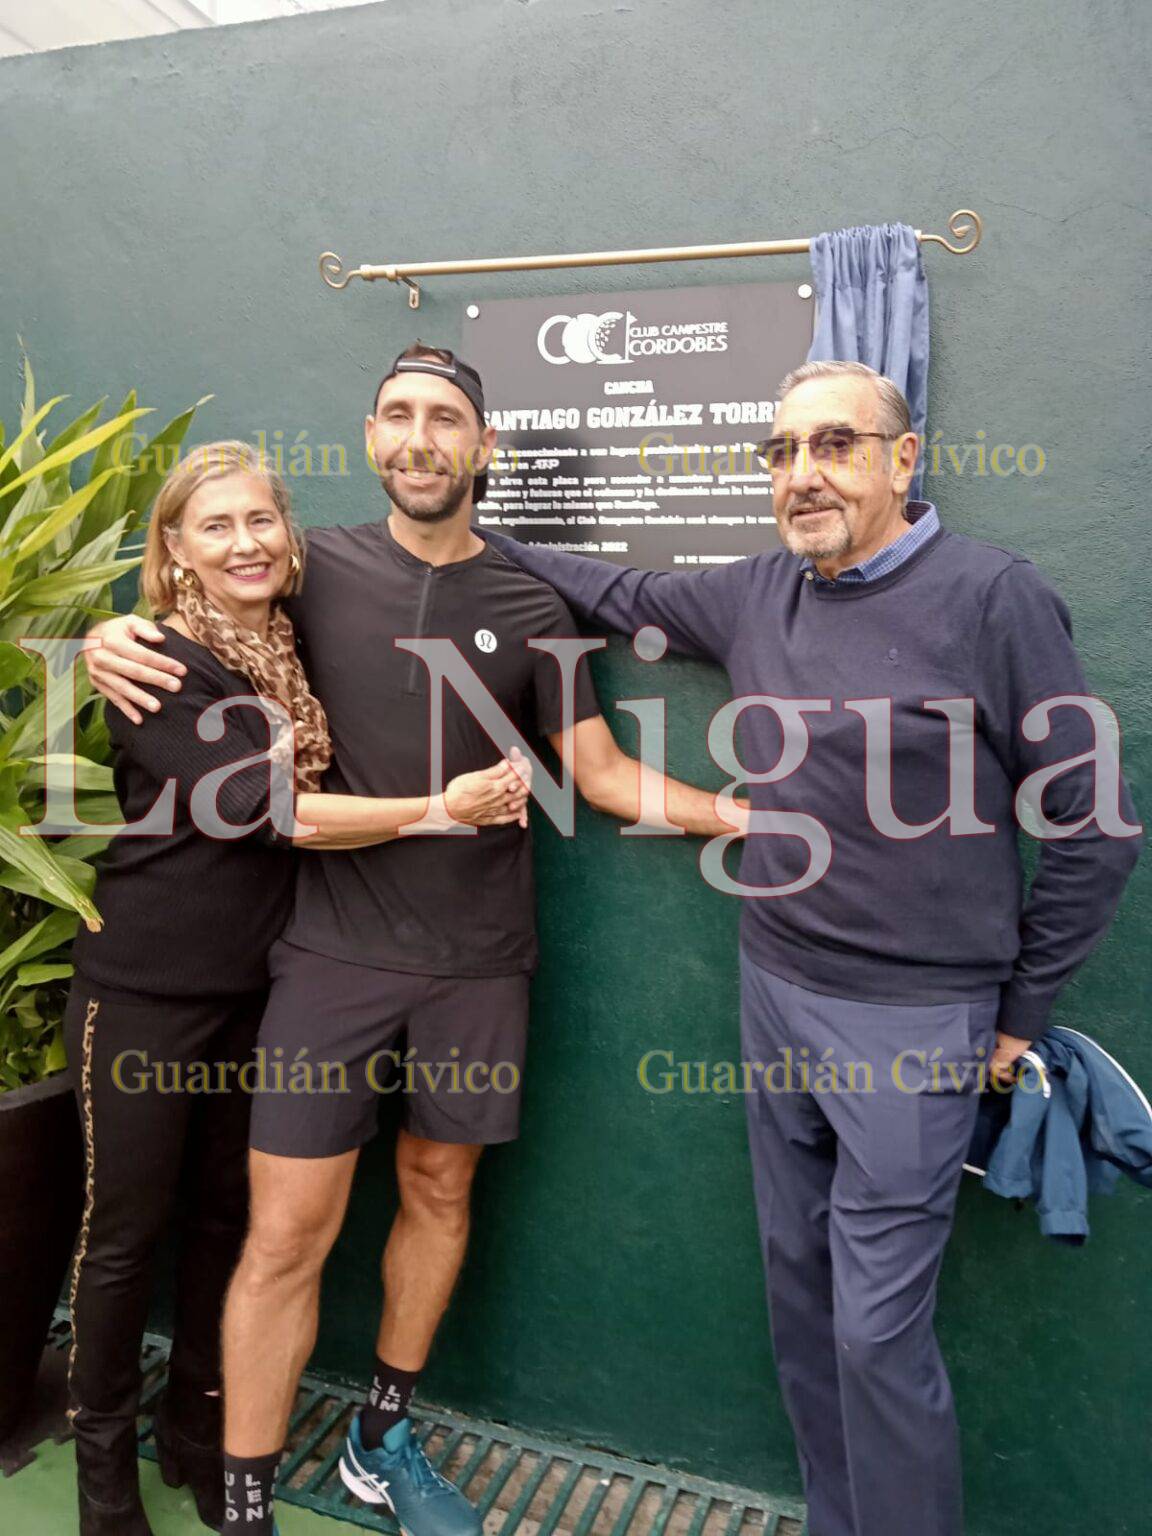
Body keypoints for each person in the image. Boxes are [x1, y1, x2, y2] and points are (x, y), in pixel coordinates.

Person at [85, 345, 746, 1536]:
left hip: (481, 963)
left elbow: (597, 776)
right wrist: (102, 637)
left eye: (445, 417)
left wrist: (740, 812)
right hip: (326, 963)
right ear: (373, 436)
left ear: (482, 447)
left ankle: (380, 1440)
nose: (419, 436)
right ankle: (243, 1503)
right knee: (284, 1232)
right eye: (397, 415)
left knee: (438, 1190)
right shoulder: (308, 572)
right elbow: (195, 608)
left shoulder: (536, 605)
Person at [478, 360, 1143, 1536]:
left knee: (877, 1333)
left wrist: (1020, 1015)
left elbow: (1093, 832)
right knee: (799, 1296)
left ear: (904, 457)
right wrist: (451, 535)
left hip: (915, 1025)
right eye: (780, 453)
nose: (802, 475)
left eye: (833, 445)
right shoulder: (755, 595)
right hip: (774, 986)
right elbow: (620, 584)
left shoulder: (995, 597)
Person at [68, 440, 530, 1536]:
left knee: (227, 1223)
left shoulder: (290, 638)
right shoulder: (160, 664)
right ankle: (100, 1487)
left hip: (261, 987)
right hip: (145, 987)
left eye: (261, 522)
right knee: (125, 1237)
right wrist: (439, 809)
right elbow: (276, 811)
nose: (244, 544)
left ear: (292, 536)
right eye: (214, 527)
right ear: (172, 549)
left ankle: (194, 1440)